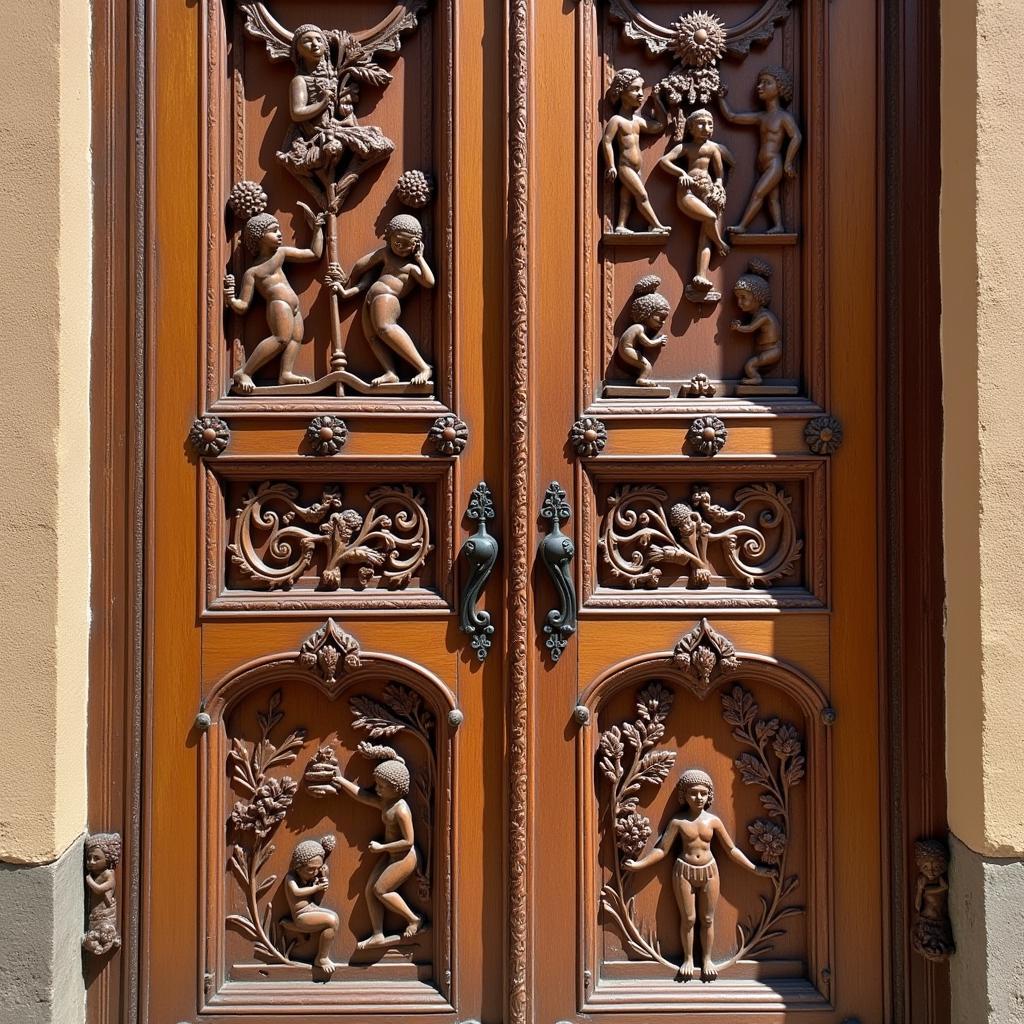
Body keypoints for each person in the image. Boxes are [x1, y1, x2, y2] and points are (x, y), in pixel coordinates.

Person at [624, 768, 774, 981]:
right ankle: (688, 959)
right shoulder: (678, 822)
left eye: (703, 793)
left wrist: (754, 868)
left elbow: (731, 850)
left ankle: (706, 959)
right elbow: (662, 850)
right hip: (683, 870)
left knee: (707, 918)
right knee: (688, 918)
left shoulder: (713, 822)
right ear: (684, 795)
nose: (698, 798)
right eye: (693, 793)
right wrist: (640, 865)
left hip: (710, 871)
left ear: (709, 795)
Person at [224, 202, 324, 393]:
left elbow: (314, 254)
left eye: (278, 230)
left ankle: (285, 374)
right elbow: (243, 305)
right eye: (273, 231)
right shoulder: (253, 273)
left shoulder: (281, 254)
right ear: (259, 237)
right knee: (280, 338)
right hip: (278, 305)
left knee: (295, 339)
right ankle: (245, 372)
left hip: (294, 306)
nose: (279, 234)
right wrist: (231, 299)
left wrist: (317, 230)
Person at [325, 756, 424, 949]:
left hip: (405, 857)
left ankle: (414, 919)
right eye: (377, 784)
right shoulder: (387, 802)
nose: (377, 789)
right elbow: (363, 796)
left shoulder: (401, 809)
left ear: (396, 788)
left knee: (381, 890)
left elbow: (408, 841)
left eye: (382, 786)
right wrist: (341, 780)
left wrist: (382, 848)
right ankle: (378, 933)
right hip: (391, 855)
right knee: (371, 891)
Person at [331, 214, 435, 386]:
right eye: (398, 243)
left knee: (386, 328)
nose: (402, 248)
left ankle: (423, 367)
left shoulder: (410, 267)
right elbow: (361, 265)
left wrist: (420, 258)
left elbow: (429, 282)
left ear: (417, 245)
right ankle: (390, 372)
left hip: (387, 299)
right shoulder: (385, 255)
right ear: (388, 237)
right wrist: (347, 284)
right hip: (370, 300)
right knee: (372, 337)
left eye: (408, 245)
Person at [658, 110, 734, 300]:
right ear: (690, 128)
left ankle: (700, 276)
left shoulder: (712, 149)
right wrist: (681, 174)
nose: (706, 128)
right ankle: (720, 243)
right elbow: (664, 161)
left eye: (710, 124)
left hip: (707, 192)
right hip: (688, 192)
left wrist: (717, 185)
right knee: (709, 218)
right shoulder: (685, 147)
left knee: (704, 234)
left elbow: (719, 173)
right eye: (701, 124)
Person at [719, 66, 802, 235]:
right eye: (759, 83)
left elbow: (796, 137)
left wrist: (788, 163)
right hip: (763, 165)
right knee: (772, 199)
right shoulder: (761, 117)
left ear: (779, 88)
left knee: (758, 193)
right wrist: (720, 98)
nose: (760, 86)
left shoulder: (783, 117)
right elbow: (732, 117)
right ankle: (778, 225)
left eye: (767, 83)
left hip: (774, 164)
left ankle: (742, 225)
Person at [601, 68, 671, 234]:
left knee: (626, 200)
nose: (641, 94)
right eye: (635, 89)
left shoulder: (637, 122)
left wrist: (657, 101)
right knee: (642, 196)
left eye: (641, 89)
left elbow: (660, 126)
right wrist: (610, 165)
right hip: (625, 166)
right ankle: (655, 224)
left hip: (636, 168)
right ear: (621, 92)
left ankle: (621, 225)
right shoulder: (616, 120)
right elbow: (607, 142)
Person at [283, 835, 339, 974]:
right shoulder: (291, 878)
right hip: (301, 915)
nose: (314, 873)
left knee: (334, 917)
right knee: (331, 922)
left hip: (310, 909)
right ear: (298, 866)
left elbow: (317, 896)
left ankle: (293, 927)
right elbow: (296, 892)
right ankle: (321, 957)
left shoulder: (310, 878)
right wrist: (316, 888)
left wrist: (323, 878)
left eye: (317, 869)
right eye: (310, 869)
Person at [730, 259, 782, 384]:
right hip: (766, 349)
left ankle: (756, 379)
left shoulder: (764, 316)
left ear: (758, 297)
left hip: (772, 351)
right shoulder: (758, 314)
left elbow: (750, 328)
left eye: (743, 297)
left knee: (750, 365)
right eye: (738, 298)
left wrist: (738, 328)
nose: (739, 303)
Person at [617, 275, 670, 384]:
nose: (663, 322)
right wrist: (659, 341)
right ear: (647, 313)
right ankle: (641, 380)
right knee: (646, 366)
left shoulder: (640, 327)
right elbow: (647, 343)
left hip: (629, 350)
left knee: (645, 365)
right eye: (660, 317)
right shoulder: (638, 327)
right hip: (627, 350)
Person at [83, 833, 122, 956]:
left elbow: (99, 890)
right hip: (96, 913)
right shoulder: (97, 874)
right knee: (94, 933)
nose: (91, 862)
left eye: (96, 858)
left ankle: (107, 942)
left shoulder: (109, 875)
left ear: (108, 859)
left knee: (103, 933)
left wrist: (89, 881)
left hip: (105, 914)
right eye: (89, 858)